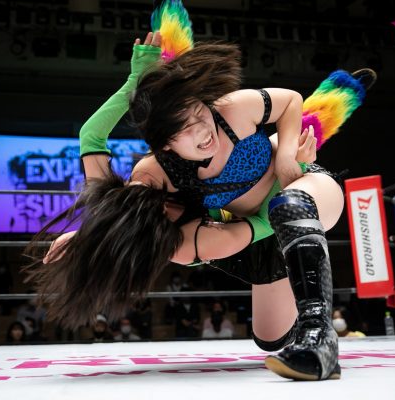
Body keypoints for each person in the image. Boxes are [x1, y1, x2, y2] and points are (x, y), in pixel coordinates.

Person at [25, 0, 374, 381]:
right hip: (261, 229)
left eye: (198, 114)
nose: (202, 132)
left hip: (307, 190)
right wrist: (96, 240)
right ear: (167, 146)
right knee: (271, 339)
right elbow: (253, 226)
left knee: (289, 199)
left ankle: (320, 340)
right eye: (184, 130)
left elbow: (92, 140)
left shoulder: (224, 114)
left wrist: (290, 159)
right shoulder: (185, 235)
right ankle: (298, 282)